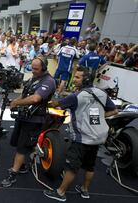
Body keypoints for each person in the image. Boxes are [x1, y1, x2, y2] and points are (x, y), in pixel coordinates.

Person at [43, 66, 118, 201]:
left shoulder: (77, 96)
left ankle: (60, 193)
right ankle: (85, 190)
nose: (74, 80)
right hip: (98, 138)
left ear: (86, 79)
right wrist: (100, 116)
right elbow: (114, 111)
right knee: (90, 166)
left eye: (78, 77)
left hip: (82, 138)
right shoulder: (101, 93)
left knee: (72, 167)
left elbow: (57, 105)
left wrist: (46, 101)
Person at [1, 56, 56, 188]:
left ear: (43, 68)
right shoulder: (33, 78)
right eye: (32, 68)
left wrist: (17, 102)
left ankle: (13, 173)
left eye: (36, 69)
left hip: (35, 119)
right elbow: (25, 95)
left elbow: (35, 99)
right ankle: (23, 165)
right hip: (24, 116)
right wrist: (13, 102)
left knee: (22, 147)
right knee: (18, 142)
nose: (33, 71)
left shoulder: (49, 81)